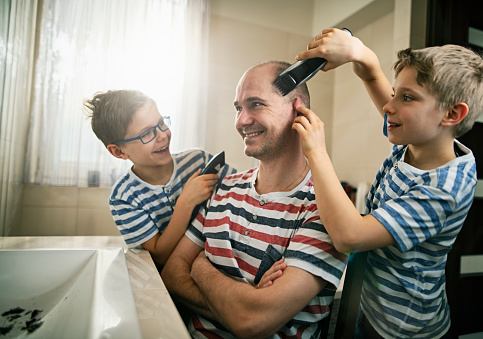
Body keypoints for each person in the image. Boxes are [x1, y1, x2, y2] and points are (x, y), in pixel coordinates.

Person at [290, 28, 483, 338]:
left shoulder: (443, 189)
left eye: (406, 97)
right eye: (395, 93)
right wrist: (357, 52)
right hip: (372, 306)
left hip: (401, 328)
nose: (389, 107)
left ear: (452, 114)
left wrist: (316, 152)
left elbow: (349, 237)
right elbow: (375, 78)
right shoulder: (417, 141)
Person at [161, 61, 347, 339]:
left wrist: (200, 265)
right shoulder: (223, 188)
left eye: (256, 104)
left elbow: (252, 321)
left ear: (298, 111)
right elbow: (172, 273)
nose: (241, 121)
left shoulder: (327, 209)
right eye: (238, 108)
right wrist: (235, 304)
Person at [84, 90, 235, 267]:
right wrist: (185, 203)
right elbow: (158, 258)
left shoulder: (198, 160)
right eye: (147, 133)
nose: (162, 135)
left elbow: (242, 191)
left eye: (161, 123)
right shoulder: (123, 197)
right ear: (118, 151)